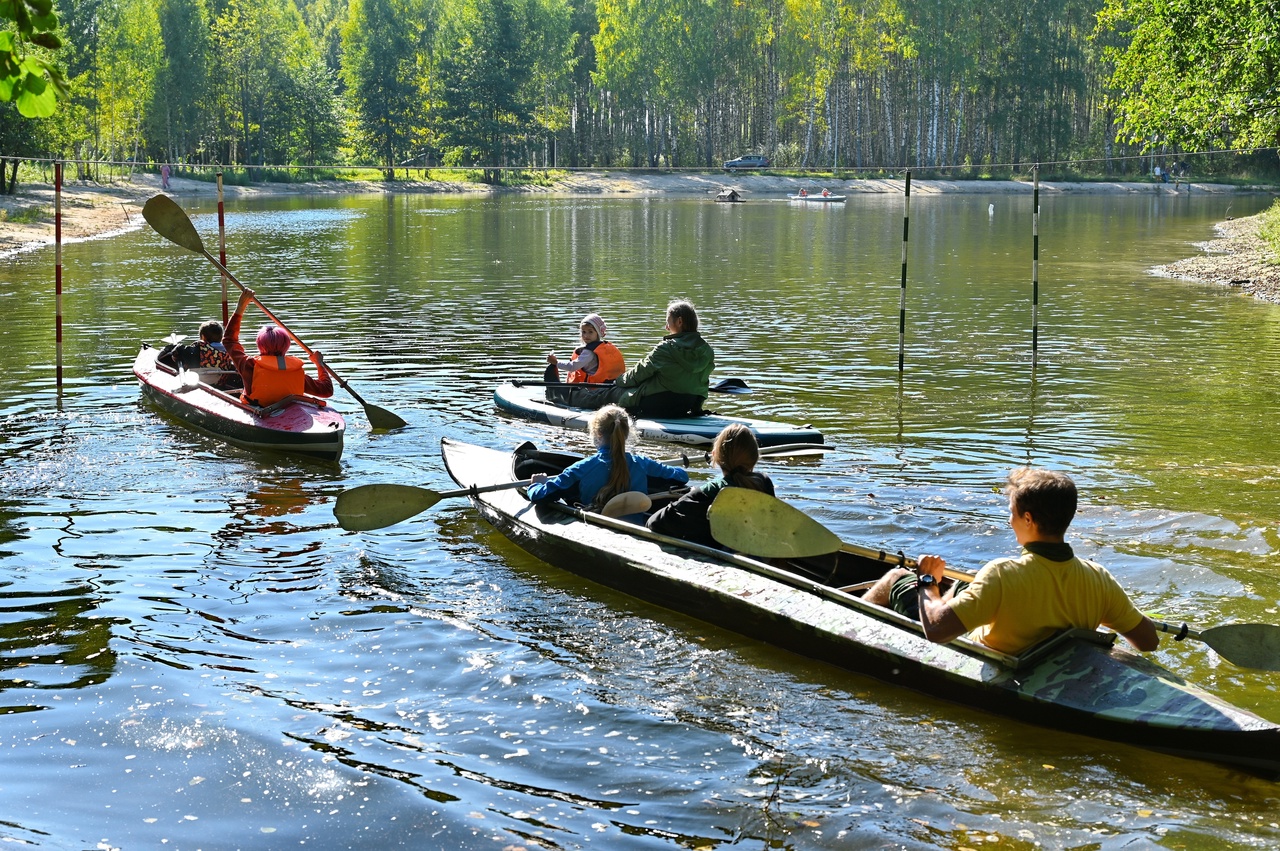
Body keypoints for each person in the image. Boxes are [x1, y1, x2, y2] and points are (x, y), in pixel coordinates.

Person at [863, 467, 1160, 656]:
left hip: (978, 651)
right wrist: (1108, 611)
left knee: (894, 577)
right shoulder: (1099, 579)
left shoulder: (1002, 573)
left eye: (1012, 512)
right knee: (956, 589)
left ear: (1028, 519)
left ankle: (858, 638)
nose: (1009, 520)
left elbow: (938, 631)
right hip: (1046, 655)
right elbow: (1148, 641)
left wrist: (927, 580)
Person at [547, 300, 714, 418]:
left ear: (679, 322)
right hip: (686, 405)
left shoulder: (666, 348)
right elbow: (702, 384)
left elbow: (639, 374)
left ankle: (564, 396)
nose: (666, 327)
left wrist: (617, 382)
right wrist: (697, 409)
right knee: (617, 388)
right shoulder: (707, 350)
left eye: (667, 322)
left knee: (610, 393)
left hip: (658, 404)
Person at [526, 405, 689, 511]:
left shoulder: (581, 468)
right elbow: (682, 477)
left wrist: (536, 485)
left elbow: (541, 496)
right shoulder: (642, 463)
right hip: (635, 525)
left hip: (596, 527)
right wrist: (656, 465)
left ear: (596, 433)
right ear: (626, 434)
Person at [645, 423, 774, 548]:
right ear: (755, 458)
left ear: (715, 456)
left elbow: (653, 523)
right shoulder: (764, 483)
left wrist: (691, 495)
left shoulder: (703, 495)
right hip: (756, 553)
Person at [224, 289, 334, 407]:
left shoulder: (249, 365)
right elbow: (326, 390)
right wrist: (319, 364)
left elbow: (229, 340)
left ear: (260, 345)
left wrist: (240, 308)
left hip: (260, 409)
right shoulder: (296, 370)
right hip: (291, 414)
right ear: (287, 346)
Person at [156, 319, 241, 390]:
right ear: (221, 337)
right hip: (219, 386)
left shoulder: (197, 350)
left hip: (199, 385)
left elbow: (175, 353)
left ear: (203, 337)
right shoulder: (230, 351)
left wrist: (176, 349)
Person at [543, 313, 626, 384]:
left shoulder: (589, 352)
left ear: (598, 333)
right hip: (609, 384)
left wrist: (556, 362)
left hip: (593, 389)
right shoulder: (605, 347)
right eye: (583, 332)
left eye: (590, 332)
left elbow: (572, 367)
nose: (586, 335)